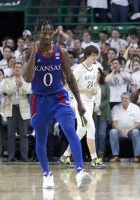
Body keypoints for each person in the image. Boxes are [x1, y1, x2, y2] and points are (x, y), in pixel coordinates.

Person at [23, 20, 92, 189]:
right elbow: (27, 78)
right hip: (39, 99)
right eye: (43, 33)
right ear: (38, 34)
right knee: (41, 138)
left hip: (59, 97)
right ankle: (47, 174)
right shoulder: (30, 52)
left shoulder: (60, 52)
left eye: (49, 32)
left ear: (53, 33)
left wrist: (80, 102)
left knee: (70, 129)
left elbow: (70, 78)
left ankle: (80, 171)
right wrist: (33, 55)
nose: (47, 36)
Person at [59, 45, 107, 169]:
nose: (95, 57)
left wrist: (95, 89)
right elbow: (68, 87)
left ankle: (65, 156)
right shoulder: (79, 69)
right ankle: (94, 159)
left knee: (81, 130)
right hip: (80, 103)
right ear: (87, 55)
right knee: (91, 127)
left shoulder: (96, 68)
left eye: (96, 55)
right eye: (93, 55)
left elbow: (96, 82)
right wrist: (85, 90)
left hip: (90, 103)